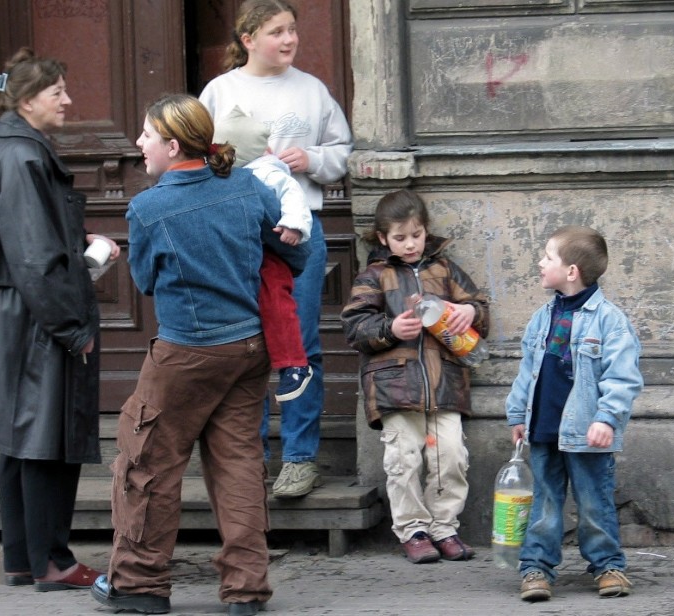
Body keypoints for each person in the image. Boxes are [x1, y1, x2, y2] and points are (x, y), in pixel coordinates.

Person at [90, 93, 306, 616]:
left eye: (145, 135)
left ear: (170, 144)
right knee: (238, 466)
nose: (138, 143)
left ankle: (139, 586)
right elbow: (291, 252)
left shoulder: (148, 208)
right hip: (248, 348)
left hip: (186, 351)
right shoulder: (248, 186)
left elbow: (143, 281)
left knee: (147, 463)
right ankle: (246, 591)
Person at [0, 47, 119, 592]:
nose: (68, 100)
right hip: (37, 318)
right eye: (58, 92)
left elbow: (31, 241)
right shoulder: (23, 156)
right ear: (29, 100)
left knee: (22, 437)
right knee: (44, 439)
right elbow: (33, 257)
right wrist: (72, 328)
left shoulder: (12, 151)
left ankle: (22, 558)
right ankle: (51, 562)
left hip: (19, 314)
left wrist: (81, 243)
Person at [199, 0, 353, 499]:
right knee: (245, 347)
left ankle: (300, 458)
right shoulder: (220, 92)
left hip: (297, 233)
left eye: (292, 31)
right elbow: (196, 155)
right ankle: (248, 459)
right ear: (248, 39)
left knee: (300, 343)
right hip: (236, 234)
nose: (289, 40)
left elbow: (342, 151)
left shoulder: (311, 90)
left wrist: (311, 158)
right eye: (276, 32)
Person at [340, 189, 489, 564]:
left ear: (426, 231)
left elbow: (479, 307)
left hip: (445, 383)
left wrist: (470, 313)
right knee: (403, 458)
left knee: (451, 456)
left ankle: (444, 527)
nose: (410, 244)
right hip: (395, 385)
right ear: (382, 238)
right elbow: (355, 326)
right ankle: (413, 530)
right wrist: (391, 329)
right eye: (401, 238)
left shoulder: (446, 269)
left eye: (417, 235)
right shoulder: (374, 275)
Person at [504, 225, 643, 602]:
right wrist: (517, 414)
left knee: (593, 501)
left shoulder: (609, 320)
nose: (539, 262)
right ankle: (536, 568)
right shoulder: (541, 318)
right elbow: (527, 372)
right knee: (544, 503)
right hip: (543, 427)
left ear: (571, 271)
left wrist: (606, 418)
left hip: (587, 431)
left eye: (548, 257)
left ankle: (607, 566)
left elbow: (623, 376)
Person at [213, 105, 313, 402]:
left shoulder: (267, 173)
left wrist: (293, 225)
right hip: (241, 254)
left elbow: (293, 195)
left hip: (271, 254)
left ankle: (294, 363)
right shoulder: (225, 179)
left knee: (277, 304)